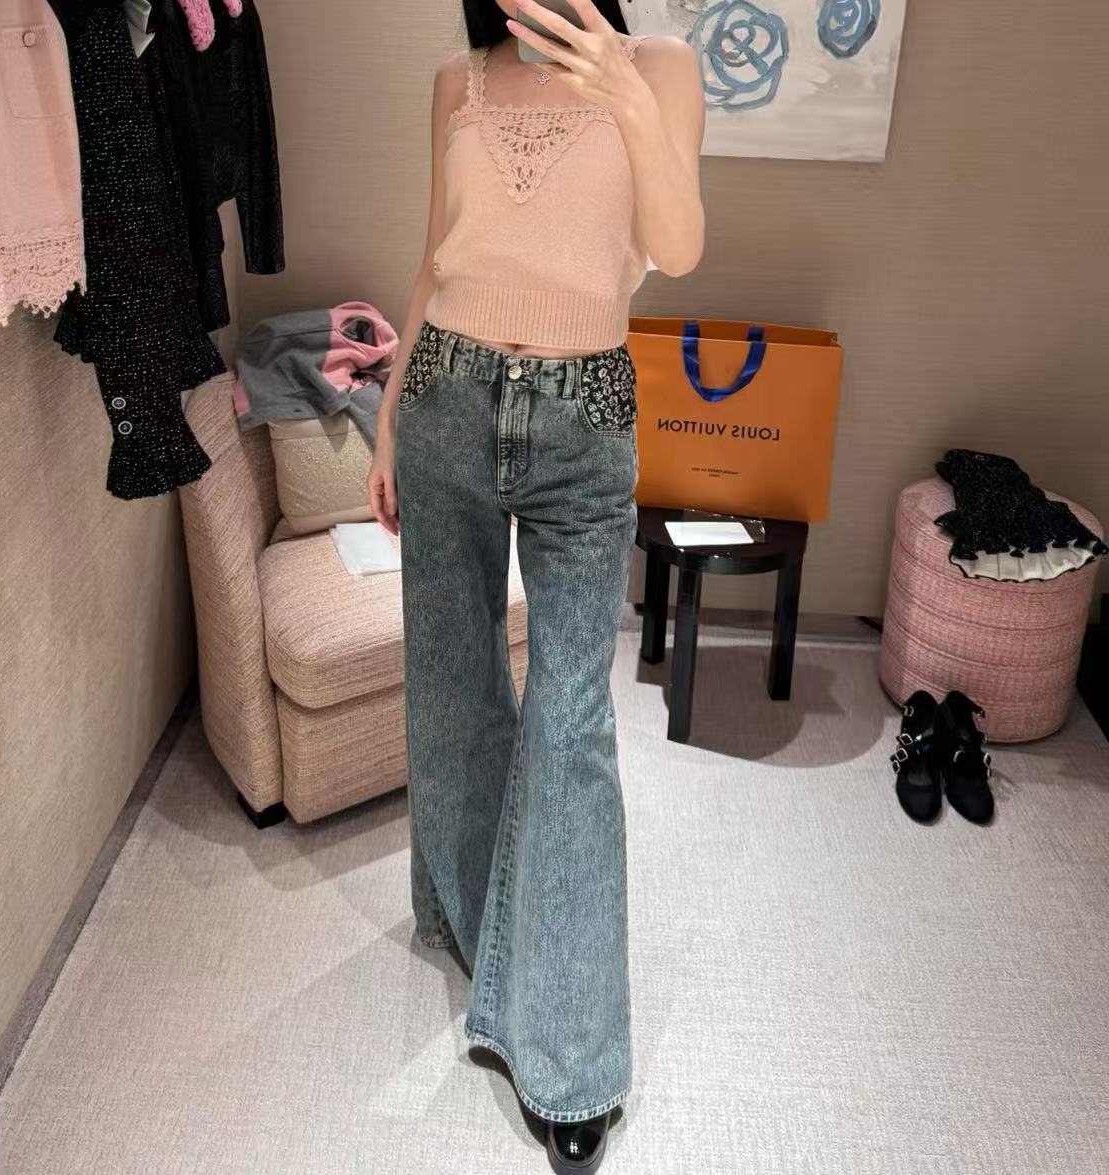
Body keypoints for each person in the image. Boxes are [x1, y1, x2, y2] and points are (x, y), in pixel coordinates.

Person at [367, 1, 704, 1169]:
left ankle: (567, 1056)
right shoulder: (456, 79)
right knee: (453, 687)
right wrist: (386, 420)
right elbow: (432, 257)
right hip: (445, 402)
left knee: (570, 724)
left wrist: (620, 90)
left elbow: (677, 246)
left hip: (583, 415)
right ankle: (473, 923)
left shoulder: (659, 67)